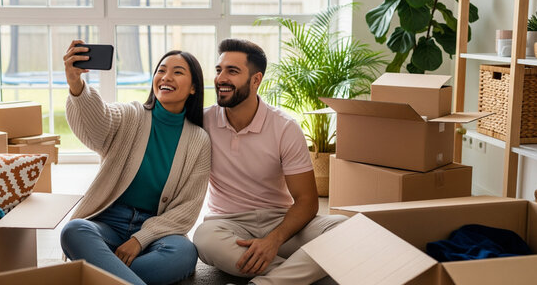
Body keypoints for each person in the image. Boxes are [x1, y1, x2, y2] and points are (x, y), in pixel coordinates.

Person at [193, 38, 347, 285]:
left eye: (232, 71)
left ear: (256, 80)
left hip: (281, 221)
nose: (221, 78)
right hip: (228, 225)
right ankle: (302, 277)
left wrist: (273, 240)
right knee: (204, 239)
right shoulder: (203, 121)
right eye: (219, 70)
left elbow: (307, 202)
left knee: (345, 228)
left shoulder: (284, 127)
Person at [60, 40, 211, 285]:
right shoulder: (131, 115)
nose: (166, 77)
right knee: (74, 230)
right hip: (108, 222)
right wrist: (76, 85)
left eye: (177, 72)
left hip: (156, 231)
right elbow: (97, 125)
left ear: (194, 88)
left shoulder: (199, 140)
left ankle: (99, 272)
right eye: (161, 70)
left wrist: (140, 239)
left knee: (184, 253)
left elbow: (187, 209)